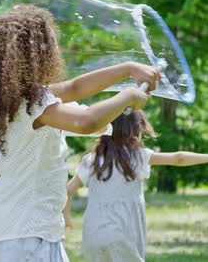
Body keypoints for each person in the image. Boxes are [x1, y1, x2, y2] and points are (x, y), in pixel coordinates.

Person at [0, 4, 161, 261]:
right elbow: (85, 122)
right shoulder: (33, 104)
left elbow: (75, 87)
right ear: (35, 56)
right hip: (24, 232)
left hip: (24, 227)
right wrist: (128, 95)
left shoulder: (17, 99)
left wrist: (128, 68)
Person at [64, 109, 208, 261]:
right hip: (124, 235)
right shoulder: (138, 156)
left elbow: (68, 190)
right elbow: (178, 158)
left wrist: (66, 218)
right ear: (137, 129)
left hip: (93, 237)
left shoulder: (92, 159)